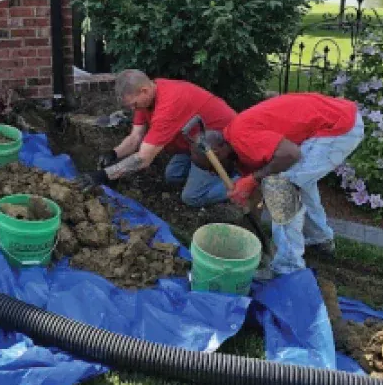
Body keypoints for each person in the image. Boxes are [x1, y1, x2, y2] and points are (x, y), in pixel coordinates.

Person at [191, 92, 364, 277]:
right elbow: (256, 186)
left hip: (337, 126)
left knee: (281, 188)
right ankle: (319, 240)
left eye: (211, 168)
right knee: (299, 181)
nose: (213, 173)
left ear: (218, 152)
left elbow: (290, 154)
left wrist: (251, 181)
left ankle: (287, 267)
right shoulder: (235, 147)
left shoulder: (242, 138)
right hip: (333, 119)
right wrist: (247, 201)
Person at [81, 70, 236, 205]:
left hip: (220, 143)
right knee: (172, 176)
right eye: (130, 106)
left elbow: (143, 159)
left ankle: (240, 183)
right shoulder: (147, 96)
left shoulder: (168, 106)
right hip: (194, 141)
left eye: (134, 105)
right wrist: (113, 153)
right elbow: (135, 137)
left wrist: (103, 175)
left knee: (192, 197)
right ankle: (203, 175)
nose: (133, 109)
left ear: (144, 91)